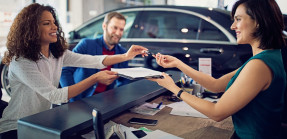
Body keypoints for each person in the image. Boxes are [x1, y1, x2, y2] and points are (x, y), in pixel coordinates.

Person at [0, 3, 147, 139]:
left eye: (54, 22)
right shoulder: (21, 61)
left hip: (41, 123)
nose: (54, 27)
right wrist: (95, 78)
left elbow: (93, 60)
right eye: (47, 23)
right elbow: (55, 96)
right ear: (31, 30)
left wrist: (126, 56)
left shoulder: (57, 54)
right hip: (16, 127)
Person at [149, 0, 286, 138]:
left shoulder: (259, 65)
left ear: (258, 21)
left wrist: (174, 89)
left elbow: (217, 112)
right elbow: (216, 85)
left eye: (238, 19)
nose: (233, 26)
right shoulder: (268, 56)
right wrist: (178, 64)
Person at [60, 12, 130, 102]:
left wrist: (118, 101)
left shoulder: (122, 53)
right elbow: (64, 71)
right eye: (115, 28)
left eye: (121, 29)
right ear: (104, 26)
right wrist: (73, 99)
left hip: (105, 102)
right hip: (81, 99)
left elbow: (123, 82)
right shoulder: (86, 44)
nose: (118, 33)